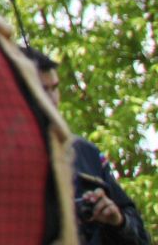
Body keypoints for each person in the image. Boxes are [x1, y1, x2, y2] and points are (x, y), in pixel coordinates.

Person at [28, 48, 150, 245]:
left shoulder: (85, 153)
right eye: (42, 90)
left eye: (55, 88)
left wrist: (117, 221)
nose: (52, 100)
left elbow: (141, 238)